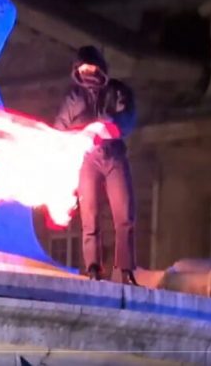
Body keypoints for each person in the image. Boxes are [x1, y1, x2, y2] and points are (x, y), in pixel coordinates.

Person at [53, 45, 139, 285]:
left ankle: (125, 270)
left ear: (100, 68)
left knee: (124, 213)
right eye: (82, 69)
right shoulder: (74, 97)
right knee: (89, 215)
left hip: (113, 156)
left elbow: (128, 118)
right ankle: (93, 268)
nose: (87, 73)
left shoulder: (117, 91)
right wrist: (74, 137)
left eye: (91, 68)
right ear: (76, 70)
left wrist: (109, 123)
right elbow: (59, 127)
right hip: (87, 160)